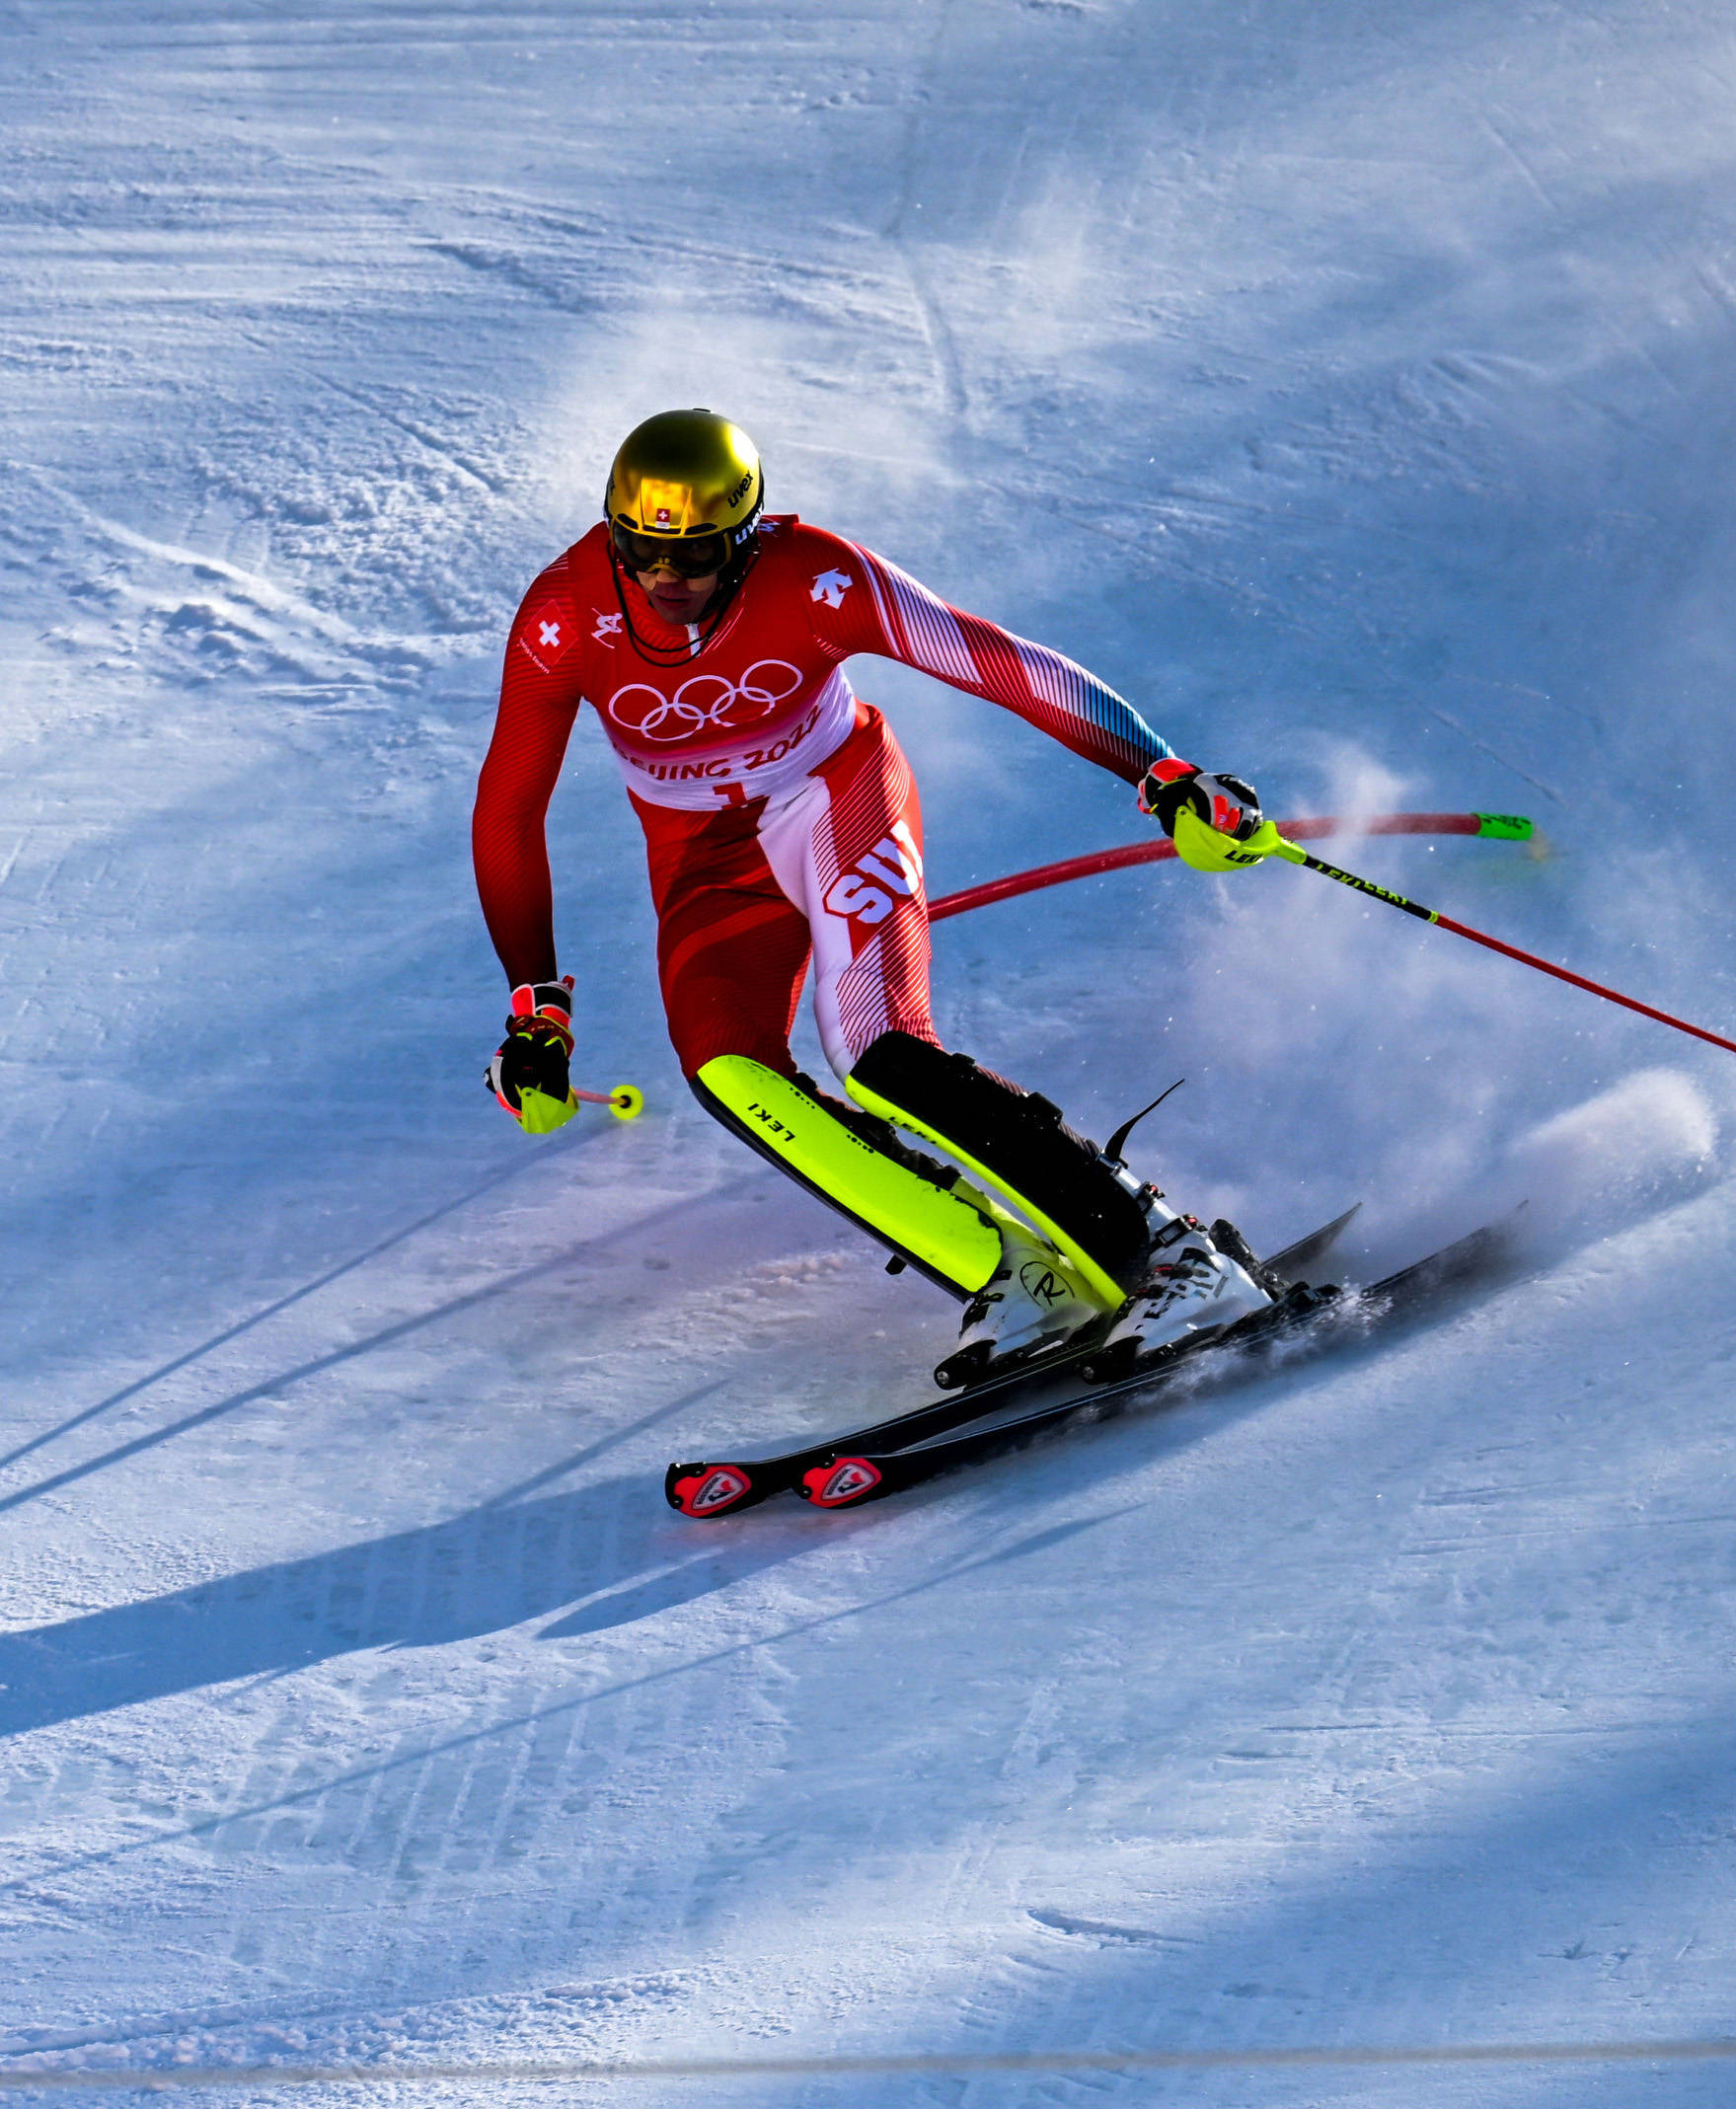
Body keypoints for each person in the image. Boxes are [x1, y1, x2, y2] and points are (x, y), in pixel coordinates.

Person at [472, 407, 1289, 1382]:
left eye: (690, 560)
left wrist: (1162, 777)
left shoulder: (812, 576)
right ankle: (1009, 1271)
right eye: (638, 555)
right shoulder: (564, 617)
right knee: (729, 1073)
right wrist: (536, 1014)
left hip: (834, 794)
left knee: (873, 1046)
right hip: (701, 859)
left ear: (740, 540)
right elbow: (507, 812)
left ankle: (1172, 1251)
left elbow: (996, 662)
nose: (662, 585)